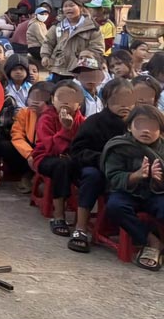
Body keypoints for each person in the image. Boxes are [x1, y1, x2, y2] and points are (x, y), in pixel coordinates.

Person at [66, 78, 134, 253]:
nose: (123, 106)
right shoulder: (94, 122)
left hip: (129, 172)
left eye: (128, 102)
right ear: (105, 101)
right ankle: (81, 228)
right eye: (117, 102)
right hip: (96, 167)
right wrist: (104, 159)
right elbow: (78, 151)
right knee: (92, 176)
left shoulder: (137, 124)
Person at [102, 104, 164, 270]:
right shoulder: (119, 146)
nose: (146, 131)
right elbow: (113, 177)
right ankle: (150, 240)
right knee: (115, 207)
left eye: (152, 127)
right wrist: (135, 175)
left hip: (154, 194)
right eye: (140, 125)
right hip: (126, 192)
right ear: (129, 126)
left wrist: (158, 181)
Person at [30, 81, 85, 237]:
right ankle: (59, 216)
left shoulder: (82, 121)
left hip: (70, 159)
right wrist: (65, 129)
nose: (65, 101)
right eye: (61, 97)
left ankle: (81, 217)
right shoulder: (46, 118)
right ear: (53, 99)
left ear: (79, 103)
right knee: (61, 165)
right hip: (45, 158)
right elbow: (51, 147)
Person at [41, 0, 104, 81]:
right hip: (58, 69)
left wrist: (88, 54)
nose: (68, 9)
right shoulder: (57, 26)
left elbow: (98, 48)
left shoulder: (92, 27)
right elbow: (48, 42)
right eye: (65, 6)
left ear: (81, 8)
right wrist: (45, 56)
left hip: (80, 71)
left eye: (71, 5)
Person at [10, 82, 54, 193]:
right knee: (6, 147)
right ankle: (26, 175)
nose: (35, 101)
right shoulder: (24, 112)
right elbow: (17, 135)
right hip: (29, 150)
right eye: (32, 97)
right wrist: (29, 154)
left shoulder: (55, 116)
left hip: (47, 151)